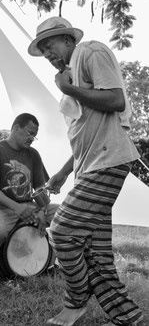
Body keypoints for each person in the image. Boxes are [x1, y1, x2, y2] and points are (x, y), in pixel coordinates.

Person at [28, 17, 143, 326]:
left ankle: (76, 300)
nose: (47, 53)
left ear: (67, 39)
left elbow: (116, 99)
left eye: (49, 45)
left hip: (109, 160)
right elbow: (85, 136)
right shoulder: (71, 77)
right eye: (42, 49)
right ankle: (127, 316)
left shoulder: (89, 52)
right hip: (90, 165)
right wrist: (64, 173)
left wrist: (70, 88)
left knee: (63, 231)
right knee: (97, 251)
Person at [0, 113, 59, 280]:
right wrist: (16, 207)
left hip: (28, 205)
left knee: (66, 215)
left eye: (35, 135)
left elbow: (39, 188)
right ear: (16, 128)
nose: (32, 138)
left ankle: (49, 263)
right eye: (29, 132)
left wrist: (42, 210)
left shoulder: (33, 154)